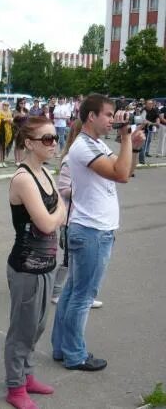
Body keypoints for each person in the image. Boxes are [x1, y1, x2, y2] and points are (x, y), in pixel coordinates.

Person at [51, 94, 145, 372]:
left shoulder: (97, 143)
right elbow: (120, 175)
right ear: (91, 116)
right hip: (92, 229)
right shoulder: (82, 147)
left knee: (71, 292)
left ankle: (61, 347)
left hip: (94, 227)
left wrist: (134, 148)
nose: (112, 120)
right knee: (83, 296)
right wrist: (126, 138)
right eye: (107, 114)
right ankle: (75, 355)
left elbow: (126, 169)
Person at [4, 116, 65, 409]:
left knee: (38, 326)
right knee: (22, 330)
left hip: (47, 264)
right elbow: (47, 222)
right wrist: (56, 217)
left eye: (55, 137)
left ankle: (27, 375)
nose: (54, 143)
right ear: (29, 143)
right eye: (47, 139)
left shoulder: (45, 173)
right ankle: (15, 387)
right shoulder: (24, 178)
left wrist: (55, 216)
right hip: (26, 266)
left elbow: (59, 209)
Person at [51, 120, 103, 309]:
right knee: (68, 259)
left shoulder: (93, 156)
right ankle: (56, 291)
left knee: (81, 260)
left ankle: (83, 295)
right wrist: (87, 186)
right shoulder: (70, 159)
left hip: (87, 216)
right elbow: (63, 189)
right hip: (71, 218)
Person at [0, 101, 14, 168]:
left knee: (4, 147)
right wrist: (5, 120)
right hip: (1, 131)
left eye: (7, 105)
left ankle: (3, 161)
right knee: (0, 147)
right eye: (4, 105)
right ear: (2, 105)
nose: (6, 106)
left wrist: (11, 121)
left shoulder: (9, 113)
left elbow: (12, 122)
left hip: (8, 132)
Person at [13, 98, 29, 166]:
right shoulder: (15, 111)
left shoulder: (26, 111)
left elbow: (28, 120)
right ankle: (17, 160)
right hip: (17, 129)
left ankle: (22, 159)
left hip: (25, 130)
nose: (23, 104)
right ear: (18, 104)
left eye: (24, 103)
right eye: (21, 103)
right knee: (17, 145)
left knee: (22, 145)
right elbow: (14, 121)